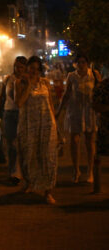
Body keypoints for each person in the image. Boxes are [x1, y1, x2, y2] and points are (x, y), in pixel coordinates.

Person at [15, 56, 58, 204]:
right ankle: (30, 183)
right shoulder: (20, 83)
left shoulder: (45, 83)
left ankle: (48, 192)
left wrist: (56, 126)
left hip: (47, 125)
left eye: (36, 69)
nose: (34, 71)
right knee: (29, 156)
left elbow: (51, 104)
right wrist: (29, 84)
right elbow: (19, 103)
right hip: (29, 127)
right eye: (31, 68)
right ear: (27, 69)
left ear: (40, 70)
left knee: (48, 157)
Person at [56, 54, 101, 183]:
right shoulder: (72, 76)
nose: (81, 65)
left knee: (89, 141)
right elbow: (66, 94)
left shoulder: (94, 74)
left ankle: (90, 171)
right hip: (75, 111)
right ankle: (76, 170)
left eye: (83, 62)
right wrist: (59, 111)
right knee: (74, 141)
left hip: (89, 111)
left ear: (87, 63)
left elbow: (100, 91)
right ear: (76, 64)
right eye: (79, 62)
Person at [0, 56, 27, 185]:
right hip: (9, 113)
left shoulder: (26, 80)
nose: (17, 69)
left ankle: (25, 172)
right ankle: (13, 173)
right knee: (11, 144)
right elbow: (2, 97)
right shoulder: (8, 79)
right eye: (16, 66)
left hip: (22, 114)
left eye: (20, 67)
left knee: (23, 144)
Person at [92, 77, 109, 192]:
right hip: (106, 127)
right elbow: (95, 105)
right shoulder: (103, 86)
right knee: (99, 154)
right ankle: (97, 186)